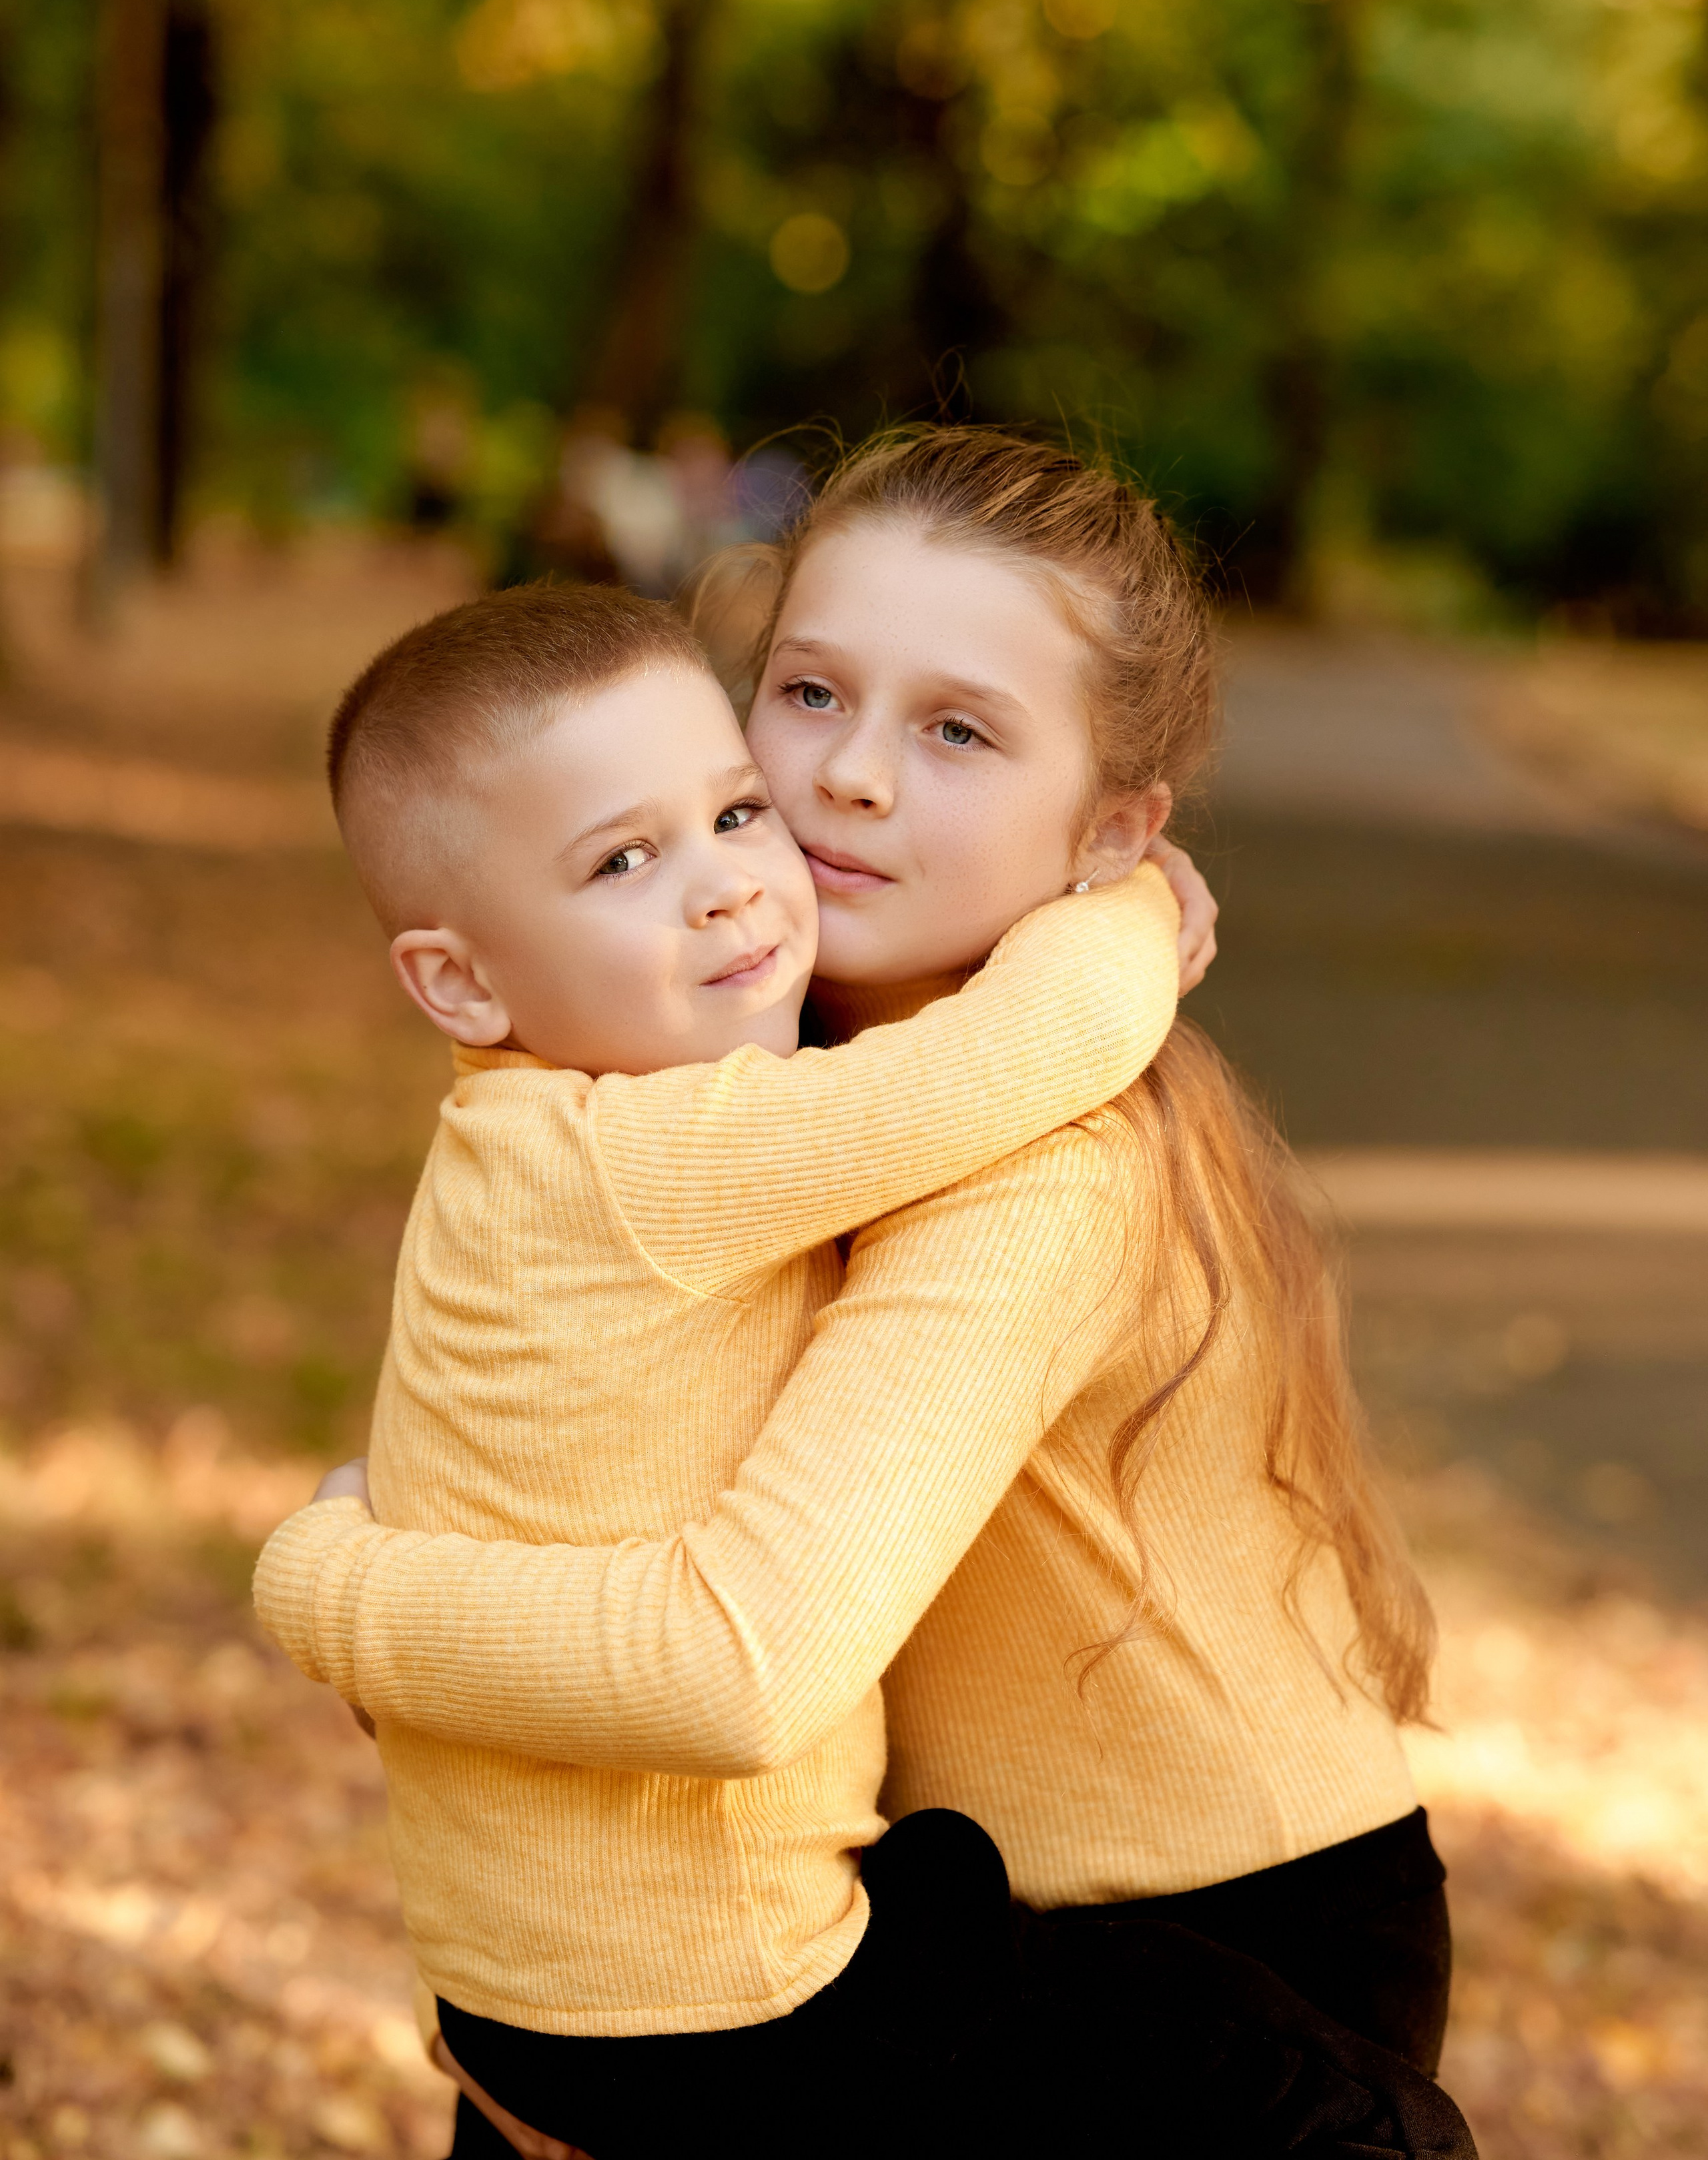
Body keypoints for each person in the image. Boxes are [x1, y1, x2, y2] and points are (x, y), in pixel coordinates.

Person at [258, 432, 1475, 2159]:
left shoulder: (1037, 1174)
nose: (849, 777)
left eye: (958, 732)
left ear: (1108, 829)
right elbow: (544, 1497)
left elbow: (733, 1659)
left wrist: (334, 1576)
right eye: (812, 693)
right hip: (891, 1898)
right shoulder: (740, 1069)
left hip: (1196, 1932)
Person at [255, 572, 1192, 2151]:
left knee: (965, 1895)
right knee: (1302, 2097)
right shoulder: (660, 1157)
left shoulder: (507, 1143)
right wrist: (1133, 890)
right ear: (460, 980)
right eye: (622, 860)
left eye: (737, 814)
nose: (726, 890)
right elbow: (1039, 1047)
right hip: (716, 1997)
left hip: (510, 1989)